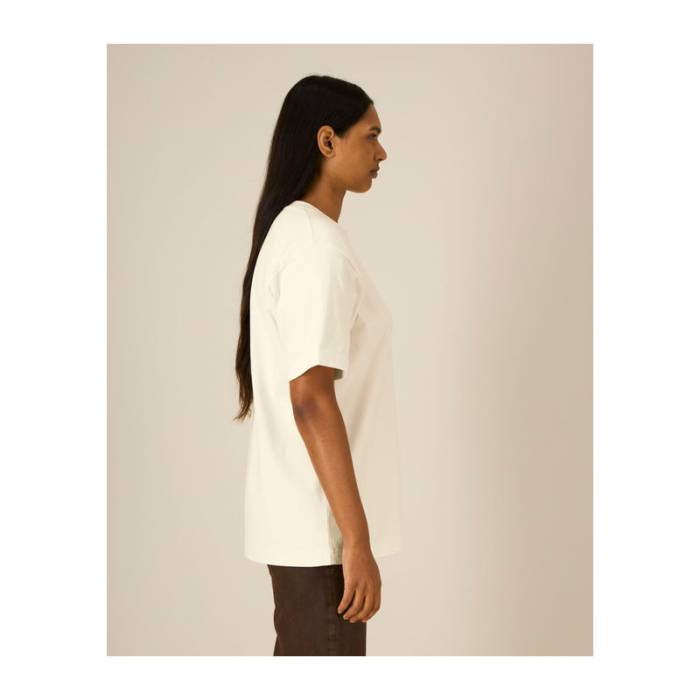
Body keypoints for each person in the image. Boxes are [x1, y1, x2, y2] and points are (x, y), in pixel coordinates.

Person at [234, 75, 403, 656]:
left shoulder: (298, 234)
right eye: (371, 135)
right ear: (327, 141)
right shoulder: (315, 247)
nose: (383, 152)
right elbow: (310, 397)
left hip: (306, 530)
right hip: (322, 537)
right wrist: (356, 540)